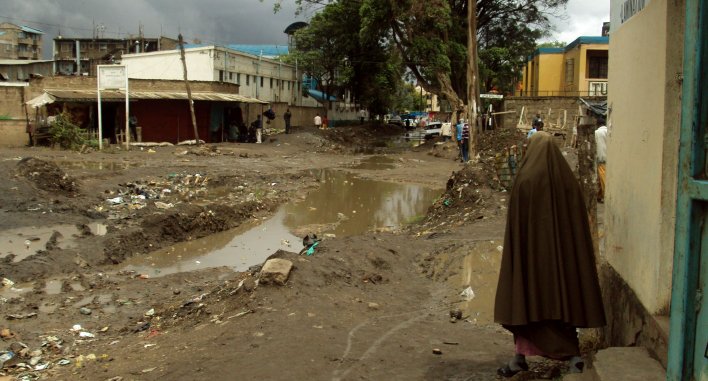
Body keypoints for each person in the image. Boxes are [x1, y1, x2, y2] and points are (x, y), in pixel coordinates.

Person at [494, 132, 606, 378]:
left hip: (531, 264)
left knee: (526, 303)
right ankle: (573, 357)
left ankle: (519, 358)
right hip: (562, 265)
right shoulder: (568, 182)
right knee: (563, 305)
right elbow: (578, 229)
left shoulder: (524, 181)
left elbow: (517, 229)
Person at [595, 119, 608, 203]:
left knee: (602, 178)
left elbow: (595, 144)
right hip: (608, 156)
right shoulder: (609, 131)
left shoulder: (597, 132)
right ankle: (599, 195)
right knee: (600, 178)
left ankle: (605, 195)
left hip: (601, 157)